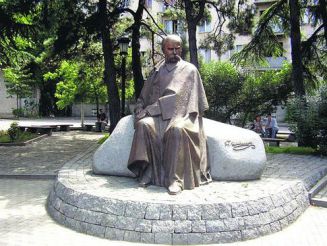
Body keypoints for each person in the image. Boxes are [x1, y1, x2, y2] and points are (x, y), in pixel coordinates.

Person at [127, 34, 211, 195]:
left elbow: (179, 100)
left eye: (177, 48)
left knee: (177, 130)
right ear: (164, 50)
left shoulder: (189, 70)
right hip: (158, 117)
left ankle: (175, 179)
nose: (174, 51)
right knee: (144, 125)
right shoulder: (157, 71)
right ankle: (148, 171)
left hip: (183, 115)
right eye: (170, 48)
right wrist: (139, 107)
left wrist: (151, 109)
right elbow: (144, 96)